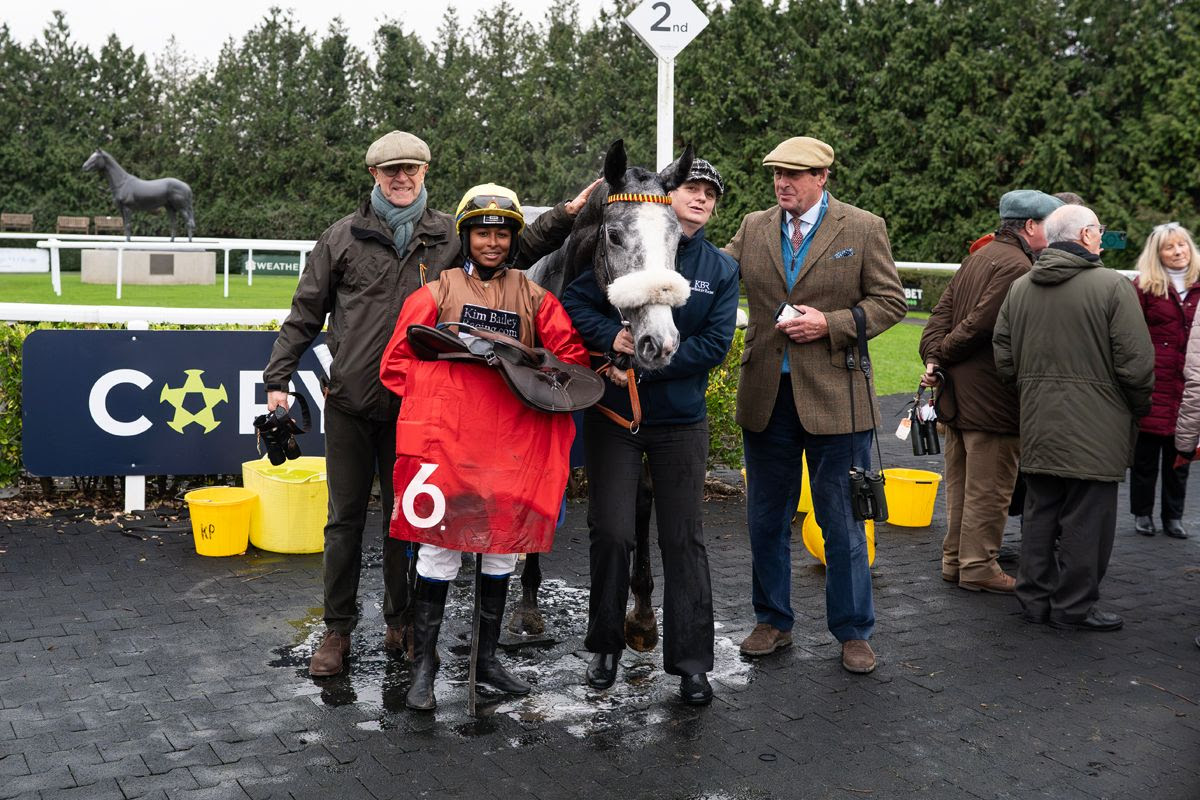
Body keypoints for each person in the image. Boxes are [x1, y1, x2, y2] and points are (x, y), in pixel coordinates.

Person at [263, 130, 597, 677]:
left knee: (411, 521)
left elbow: (512, 246)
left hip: (419, 413)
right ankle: (337, 630)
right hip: (350, 402)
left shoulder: (448, 235)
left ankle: (401, 625)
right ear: (373, 175)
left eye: (410, 169)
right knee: (344, 521)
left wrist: (566, 214)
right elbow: (305, 312)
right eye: (390, 170)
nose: (401, 178)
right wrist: (278, 376)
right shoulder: (340, 237)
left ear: (424, 173)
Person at [378, 184, 589, 710]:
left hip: (511, 449)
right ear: (466, 237)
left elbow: (570, 361)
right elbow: (396, 366)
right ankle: (424, 667)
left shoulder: (536, 298)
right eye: (482, 233)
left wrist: (529, 364)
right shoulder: (435, 294)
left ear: (513, 239)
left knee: (502, 547)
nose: (492, 243)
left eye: (501, 234)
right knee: (439, 548)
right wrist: (458, 392)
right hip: (450, 449)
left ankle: (487, 661)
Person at [724, 136, 906, 673]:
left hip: (837, 398)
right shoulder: (754, 226)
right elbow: (715, 275)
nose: (782, 183)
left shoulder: (863, 227)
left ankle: (853, 632)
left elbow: (890, 302)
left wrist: (831, 323)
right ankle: (772, 621)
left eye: (794, 174)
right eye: (777, 173)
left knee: (842, 524)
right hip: (766, 397)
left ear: (822, 176)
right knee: (765, 521)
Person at [562, 158, 739, 706]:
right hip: (616, 419)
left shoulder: (719, 268)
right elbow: (575, 302)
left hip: (680, 423)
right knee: (612, 533)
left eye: (710, 193)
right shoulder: (624, 245)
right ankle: (605, 645)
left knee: (682, 539)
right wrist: (609, 339)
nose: (700, 198)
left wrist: (648, 362)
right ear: (666, 195)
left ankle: (692, 664)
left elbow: (715, 343)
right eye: (691, 188)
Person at [993, 203, 1154, 632]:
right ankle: (1073, 607)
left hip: (1038, 421)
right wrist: (1135, 409)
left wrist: (1031, 391)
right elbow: (1137, 366)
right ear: (1085, 235)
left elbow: (1004, 357)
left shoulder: (1021, 287)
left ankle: (1034, 600)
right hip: (1098, 427)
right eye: (1099, 229)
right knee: (1087, 520)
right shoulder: (1113, 286)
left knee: (1040, 513)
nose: (1101, 236)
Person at [919, 190, 1063, 593]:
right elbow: (980, 325)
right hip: (993, 399)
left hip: (958, 397)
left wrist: (934, 357)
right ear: (1031, 225)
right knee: (990, 490)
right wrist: (941, 356)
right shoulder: (1019, 266)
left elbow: (940, 314)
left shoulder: (979, 256)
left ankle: (956, 561)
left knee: (961, 486)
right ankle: (979, 566)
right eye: (1050, 226)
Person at [1130, 222, 1200, 538]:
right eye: (1169, 247)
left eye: (1181, 244)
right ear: (1157, 253)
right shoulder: (1144, 287)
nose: (1177, 251)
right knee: (1145, 457)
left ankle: (1174, 516)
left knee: (1180, 456)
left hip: (1188, 384)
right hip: (1155, 382)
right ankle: (1142, 513)